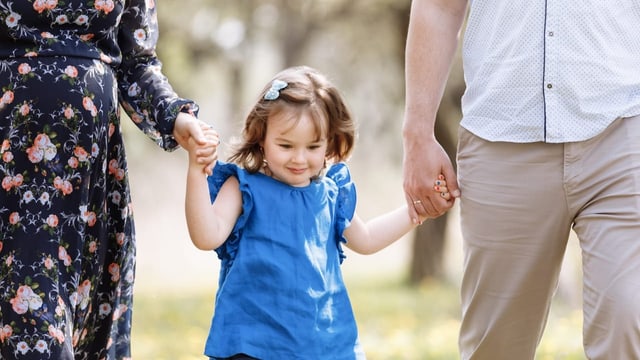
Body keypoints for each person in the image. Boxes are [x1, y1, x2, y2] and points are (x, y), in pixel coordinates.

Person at [403, 0, 640, 359]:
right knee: (496, 345)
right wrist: (417, 134)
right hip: (502, 137)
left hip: (621, 133)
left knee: (628, 319)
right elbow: (438, 7)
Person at [182, 65, 450, 360]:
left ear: (329, 143)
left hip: (321, 345)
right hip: (252, 344)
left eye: (313, 146)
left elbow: (368, 238)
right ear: (261, 138)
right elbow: (207, 236)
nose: (299, 158)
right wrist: (196, 171)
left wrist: (417, 210)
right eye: (285, 145)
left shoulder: (330, 192)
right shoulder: (243, 187)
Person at [0, 1, 217, 359]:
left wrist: (175, 118)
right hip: (12, 163)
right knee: (32, 315)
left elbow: (136, 62)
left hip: (85, 182)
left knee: (75, 320)